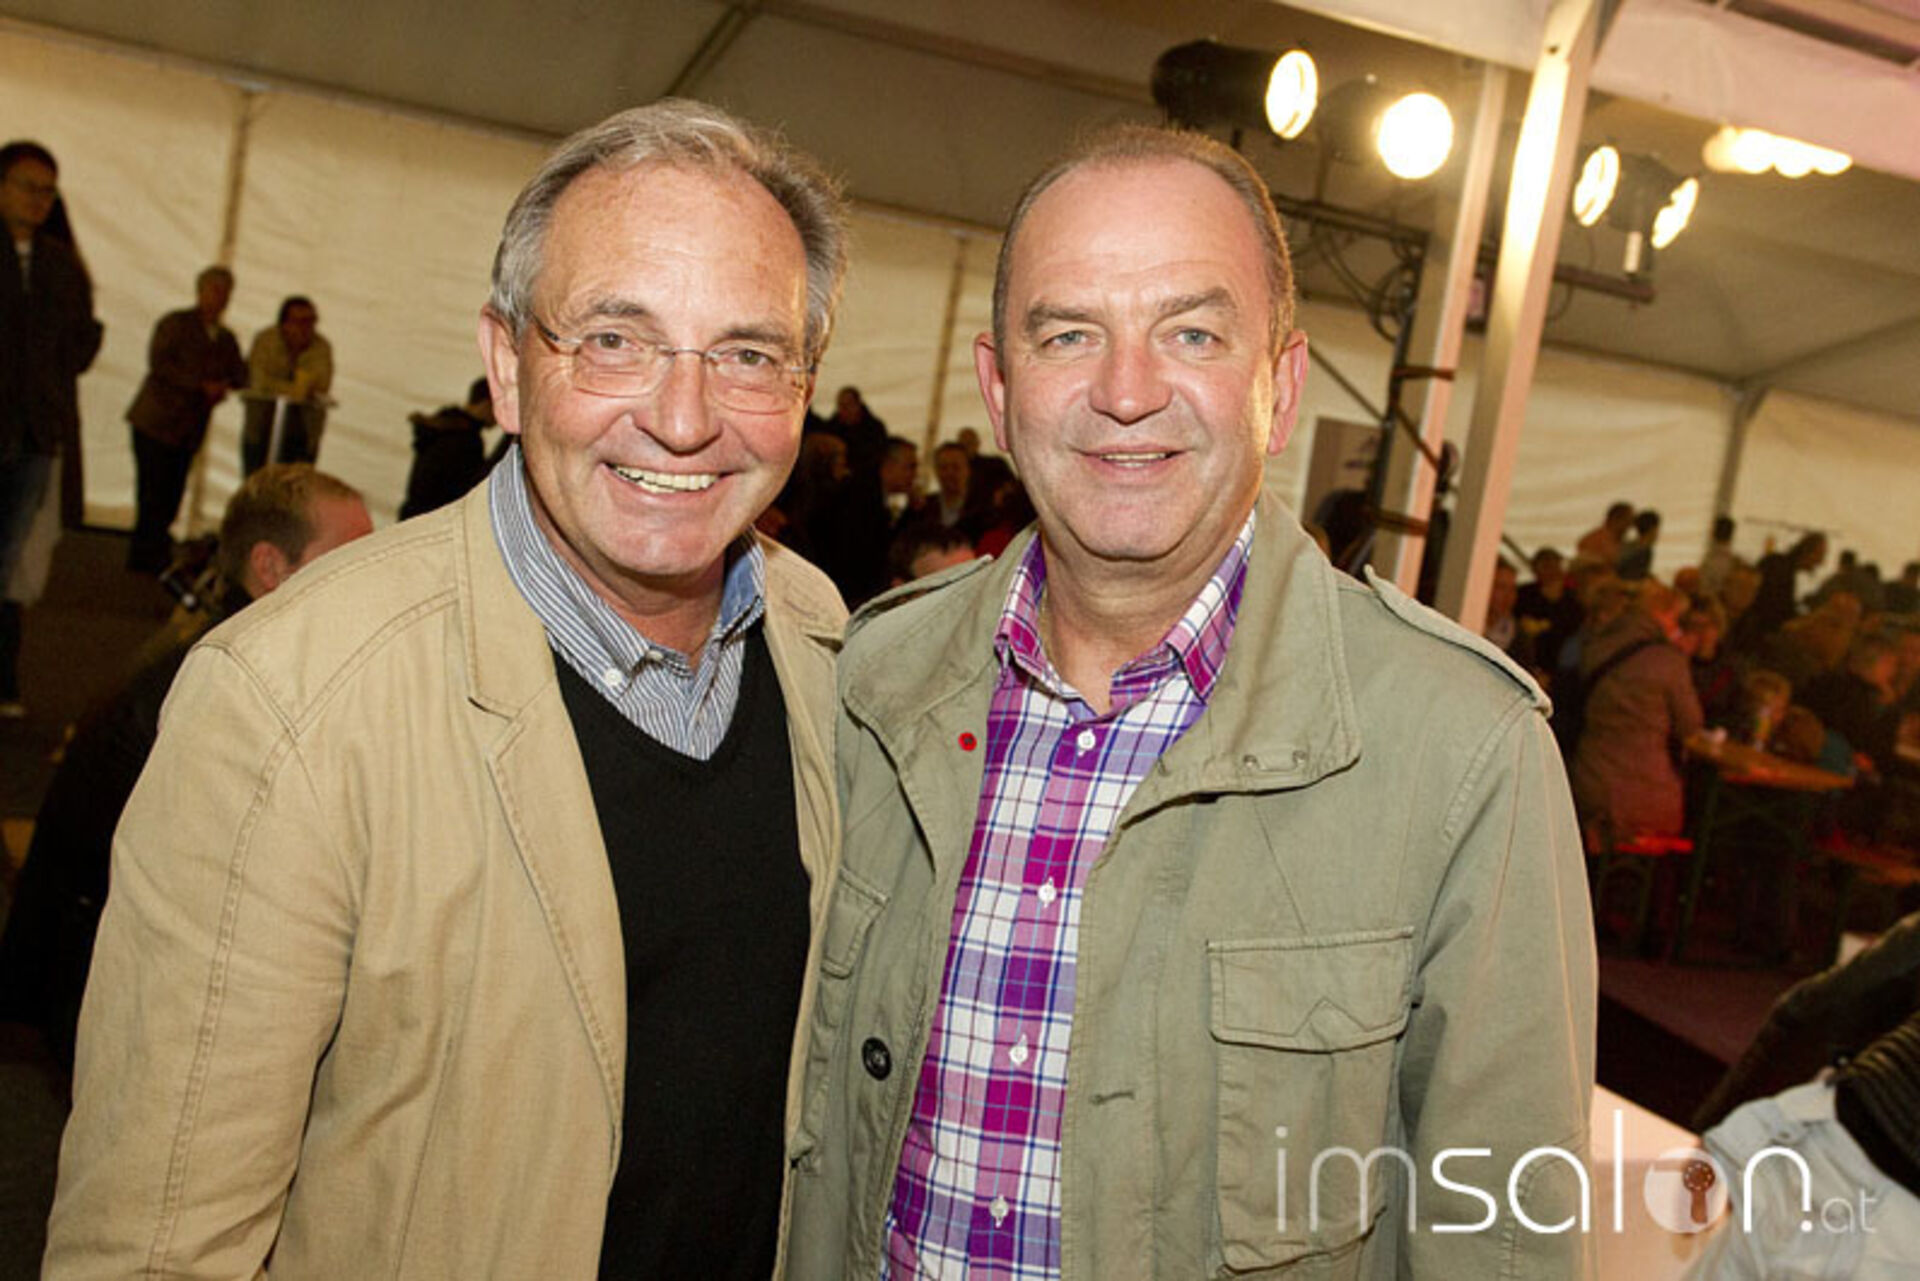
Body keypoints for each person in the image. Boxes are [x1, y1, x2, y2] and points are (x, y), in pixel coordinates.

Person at [46, 99, 850, 1279]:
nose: (684, 420)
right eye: (614, 339)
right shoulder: (290, 704)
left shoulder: (820, 641)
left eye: (747, 355)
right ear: (507, 369)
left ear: (804, 388)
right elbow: (157, 1248)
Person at [785, 124, 1595, 1279]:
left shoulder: (1462, 752)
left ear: (1282, 386)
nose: (1127, 392)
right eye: (1070, 334)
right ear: (999, 388)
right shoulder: (871, 680)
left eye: (1193, 333)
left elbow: (1502, 1240)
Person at [0, 464, 371, 1066]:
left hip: (101, 964)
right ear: (270, 567)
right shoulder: (225, 688)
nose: (368, 581)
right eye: (346, 560)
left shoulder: (218, 646)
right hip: (120, 995)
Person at [1, 140, 102, 717]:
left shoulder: (62, 265)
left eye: (48, 191)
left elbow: (81, 342)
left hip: (35, 433)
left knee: (11, 560)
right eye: (28, 187)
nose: (39, 200)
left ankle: (4, 674)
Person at [124, 265, 250, 571]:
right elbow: (160, 364)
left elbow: (240, 374)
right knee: (152, 489)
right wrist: (200, 385)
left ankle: (154, 549)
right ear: (201, 291)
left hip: (188, 429)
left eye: (225, 293)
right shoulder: (176, 324)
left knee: (173, 490)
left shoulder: (225, 339)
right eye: (215, 291)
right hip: (155, 422)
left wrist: (224, 385)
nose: (220, 298)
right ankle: (145, 552)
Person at [240, 295, 333, 473]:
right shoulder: (265, 341)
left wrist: (288, 387)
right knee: (256, 482)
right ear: (284, 323)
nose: (306, 327)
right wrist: (295, 390)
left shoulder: (321, 347)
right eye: (300, 321)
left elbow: (322, 383)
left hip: (303, 432)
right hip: (261, 428)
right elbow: (259, 380)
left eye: (311, 321)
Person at [398, 375, 496, 518]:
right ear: (486, 404)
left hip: (414, 515)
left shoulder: (444, 426)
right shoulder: (466, 439)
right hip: (433, 518)